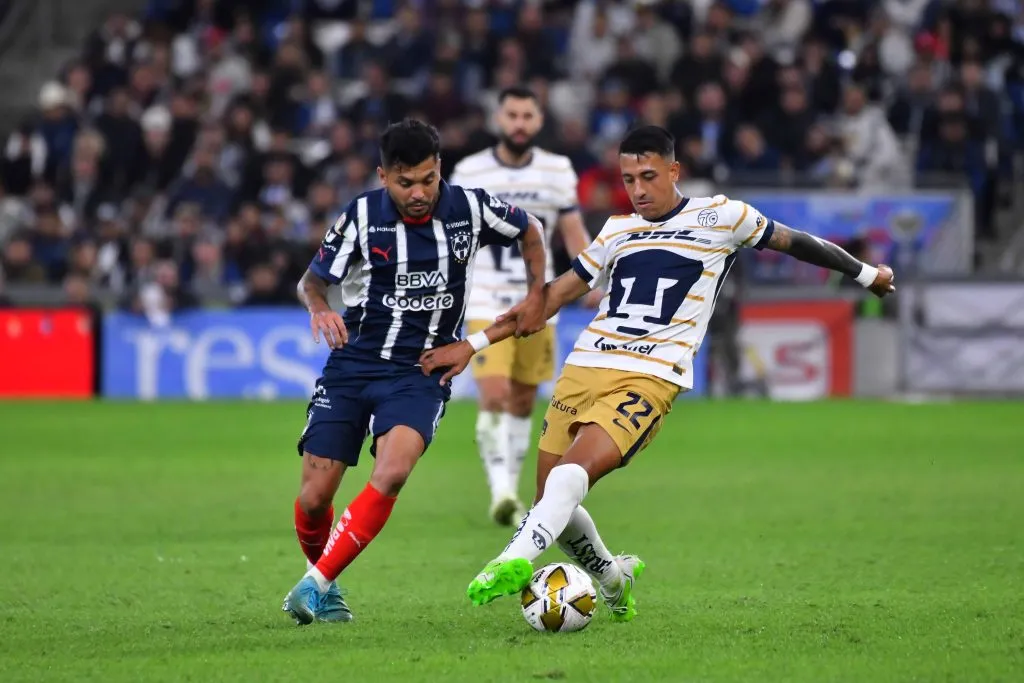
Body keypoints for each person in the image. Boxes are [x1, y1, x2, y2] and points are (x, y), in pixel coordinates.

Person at [420, 125, 895, 622]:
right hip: (583, 369)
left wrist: (866, 273)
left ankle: (510, 561)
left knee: (567, 478)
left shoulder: (722, 216)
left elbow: (794, 242)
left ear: (674, 171)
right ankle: (612, 577)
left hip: (649, 376)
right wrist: (471, 345)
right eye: (628, 179)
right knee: (551, 506)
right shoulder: (616, 230)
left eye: (649, 176)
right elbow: (552, 297)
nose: (639, 189)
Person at [283, 119, 548, 625]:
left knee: (395, 468)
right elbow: (312, 282)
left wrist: (536, 292)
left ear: (439, 170)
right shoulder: (360, 217)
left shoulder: (469, 208)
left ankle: (313, 585)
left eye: (428, 179)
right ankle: (325, 581)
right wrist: (319, 309)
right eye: (406, 183)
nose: (420, 192)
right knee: (315, 498)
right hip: (354, 364)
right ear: (384, 176)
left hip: (420, 370)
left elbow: (530, 229)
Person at [450, 86, 598, 526]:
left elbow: (571, 229)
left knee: (521, 400)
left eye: (527, 116)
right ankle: (503, 494)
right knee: (492, 393)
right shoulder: (470, 170)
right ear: (499, 118)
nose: (519, 123)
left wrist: (592, 277)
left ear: (538, 120)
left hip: (538, 299)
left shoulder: (557, 170)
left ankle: (509, 490)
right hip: (485, 296)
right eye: (511, 114)